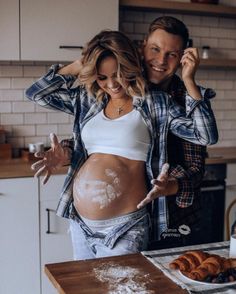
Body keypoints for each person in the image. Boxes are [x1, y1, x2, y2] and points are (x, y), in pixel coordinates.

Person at [25, 30, 218, 260]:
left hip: (125, 228)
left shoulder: (154, 102)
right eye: (102, 77)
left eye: (118, 73)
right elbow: (36, 93)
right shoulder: (88, 99)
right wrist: (80, 63)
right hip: (80, 223)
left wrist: (189, 80)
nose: (112, 84)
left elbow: (205, 136)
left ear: (129, 65)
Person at [141, 16, 216, 249]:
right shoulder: (121, 87)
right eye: (155, 49)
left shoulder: (188, 98)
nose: (161, 60)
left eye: (172, 54)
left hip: (173, 217)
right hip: (124, 215)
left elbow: (196, 168)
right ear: (143, 46)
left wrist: (189, 79)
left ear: (183, 57)